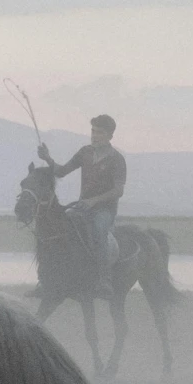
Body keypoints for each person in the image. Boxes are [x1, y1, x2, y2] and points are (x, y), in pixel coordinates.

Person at [42, 114, 126, 297]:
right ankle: (51, 278)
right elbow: (62, 171)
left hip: (105, 210)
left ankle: (105, 280)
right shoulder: (84, 153)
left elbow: (119, 191)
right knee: (59, 227)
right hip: (82, 207)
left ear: (110, 136)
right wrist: (48, 159)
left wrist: (94, 201)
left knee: (98, 230)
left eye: (100, 133)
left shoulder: (117, 159)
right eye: (93, 131)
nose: (94, 136)